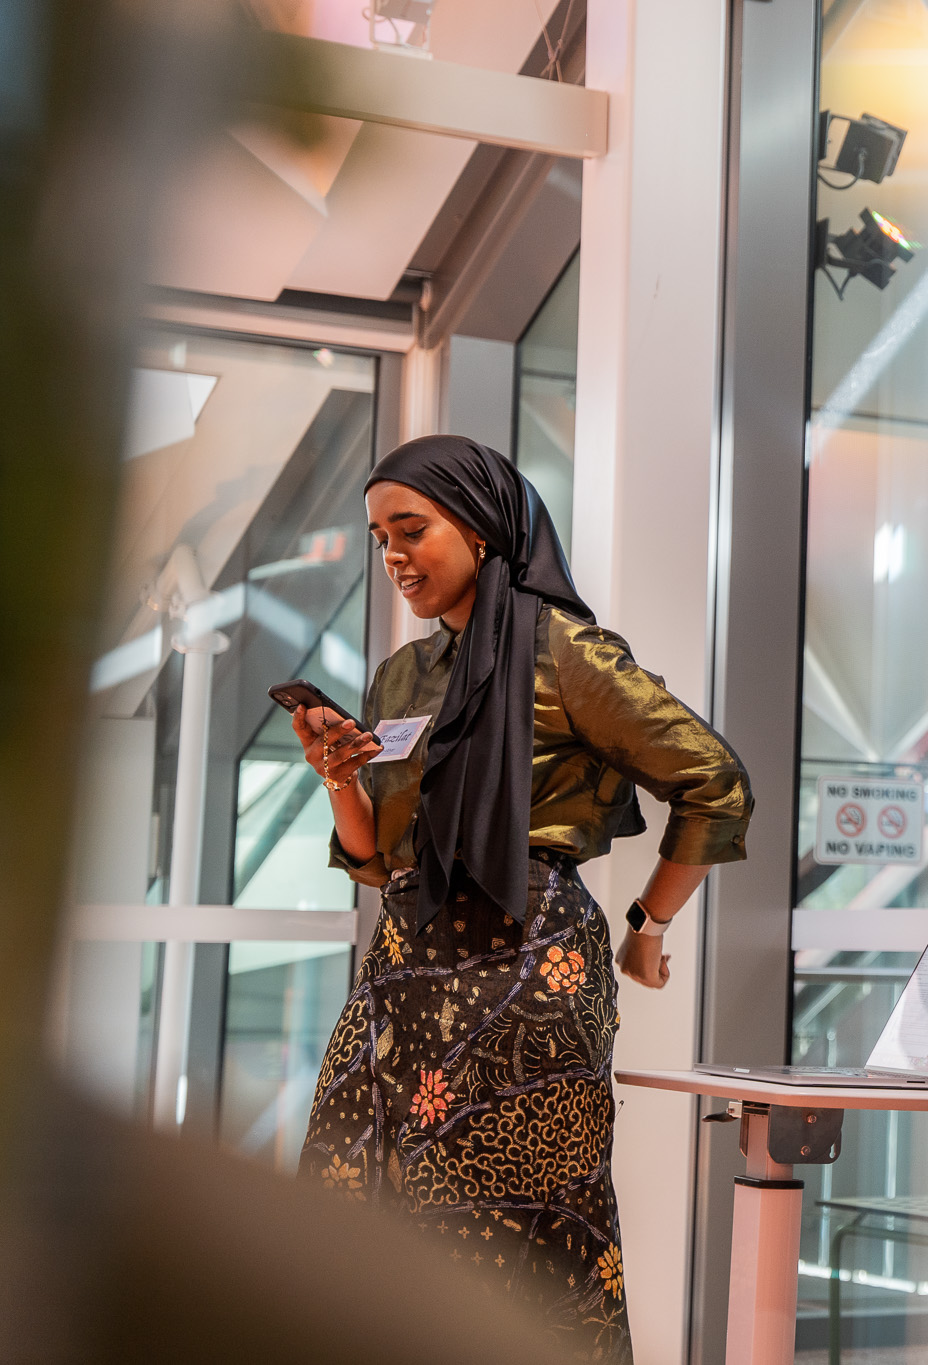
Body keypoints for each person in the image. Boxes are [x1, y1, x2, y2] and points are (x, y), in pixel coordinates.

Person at [291, 435, 752, 1364]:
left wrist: (649, 924)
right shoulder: (402, 676)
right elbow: (381, 862)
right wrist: (339, 777)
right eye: (380, 538)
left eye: (410, 530)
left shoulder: (564, 649)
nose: (394, 557)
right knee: (349, 1204)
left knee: (514, 1241)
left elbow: (715, 780)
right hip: (408, 969)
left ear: (483, 525)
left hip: (530, 970)